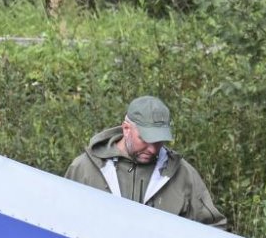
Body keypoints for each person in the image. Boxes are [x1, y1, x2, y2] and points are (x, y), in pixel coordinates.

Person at [65, 95, 227, 228]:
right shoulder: (84, 169)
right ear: (126, 128)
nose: (153, 149)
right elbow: (62, 222)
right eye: (145, 139)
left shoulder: (183, 175)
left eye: (159, 141)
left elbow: (215, 230)